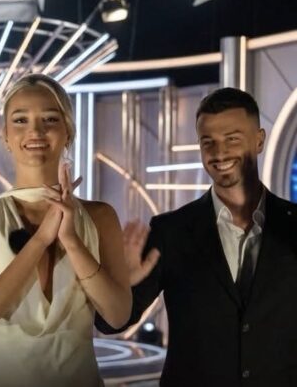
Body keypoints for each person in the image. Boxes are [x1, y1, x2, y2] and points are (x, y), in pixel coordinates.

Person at [99, 87, 297, 386]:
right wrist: (121, 284)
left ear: (259, 140)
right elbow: (111, 323)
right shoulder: (170, 231)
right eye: (208, 142)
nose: (219, 153)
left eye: (232, 139)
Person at [0, 74, 131, 387]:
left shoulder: (100, 217)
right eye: (20, 120)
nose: (35, 131)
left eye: (50, 119)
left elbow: (118, 315)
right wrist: (41, 239)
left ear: (68, 132)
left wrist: (71, 241)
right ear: (6, 135)